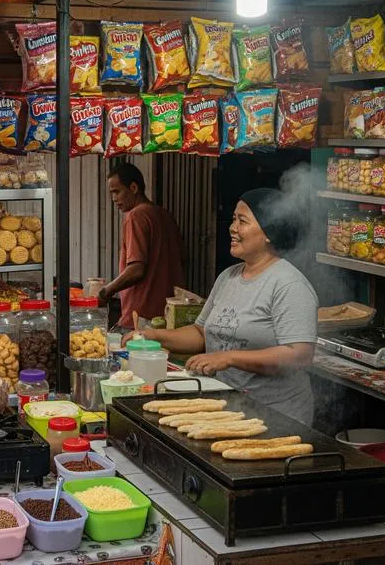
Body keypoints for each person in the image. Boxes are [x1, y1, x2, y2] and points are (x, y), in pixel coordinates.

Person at [128, 188, 317, 424]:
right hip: (227, 407)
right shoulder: (228, 277)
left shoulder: (289, 284)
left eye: (242, 221)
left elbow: (299, 355)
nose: (232, 228)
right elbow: (200, 333)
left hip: (275, 417)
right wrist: (152, 336)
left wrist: (229, 358)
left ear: (269, 232)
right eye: (233, 219)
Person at [99, 162, 184, 327]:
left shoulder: (136, 216)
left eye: (117, 191)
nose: (114, 199)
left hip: (141, 316)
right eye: (111, 193)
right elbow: (182, 257)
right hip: (170, 315)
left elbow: (136, 269)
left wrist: (106, 291)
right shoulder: (164, 215)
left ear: (133, 188)